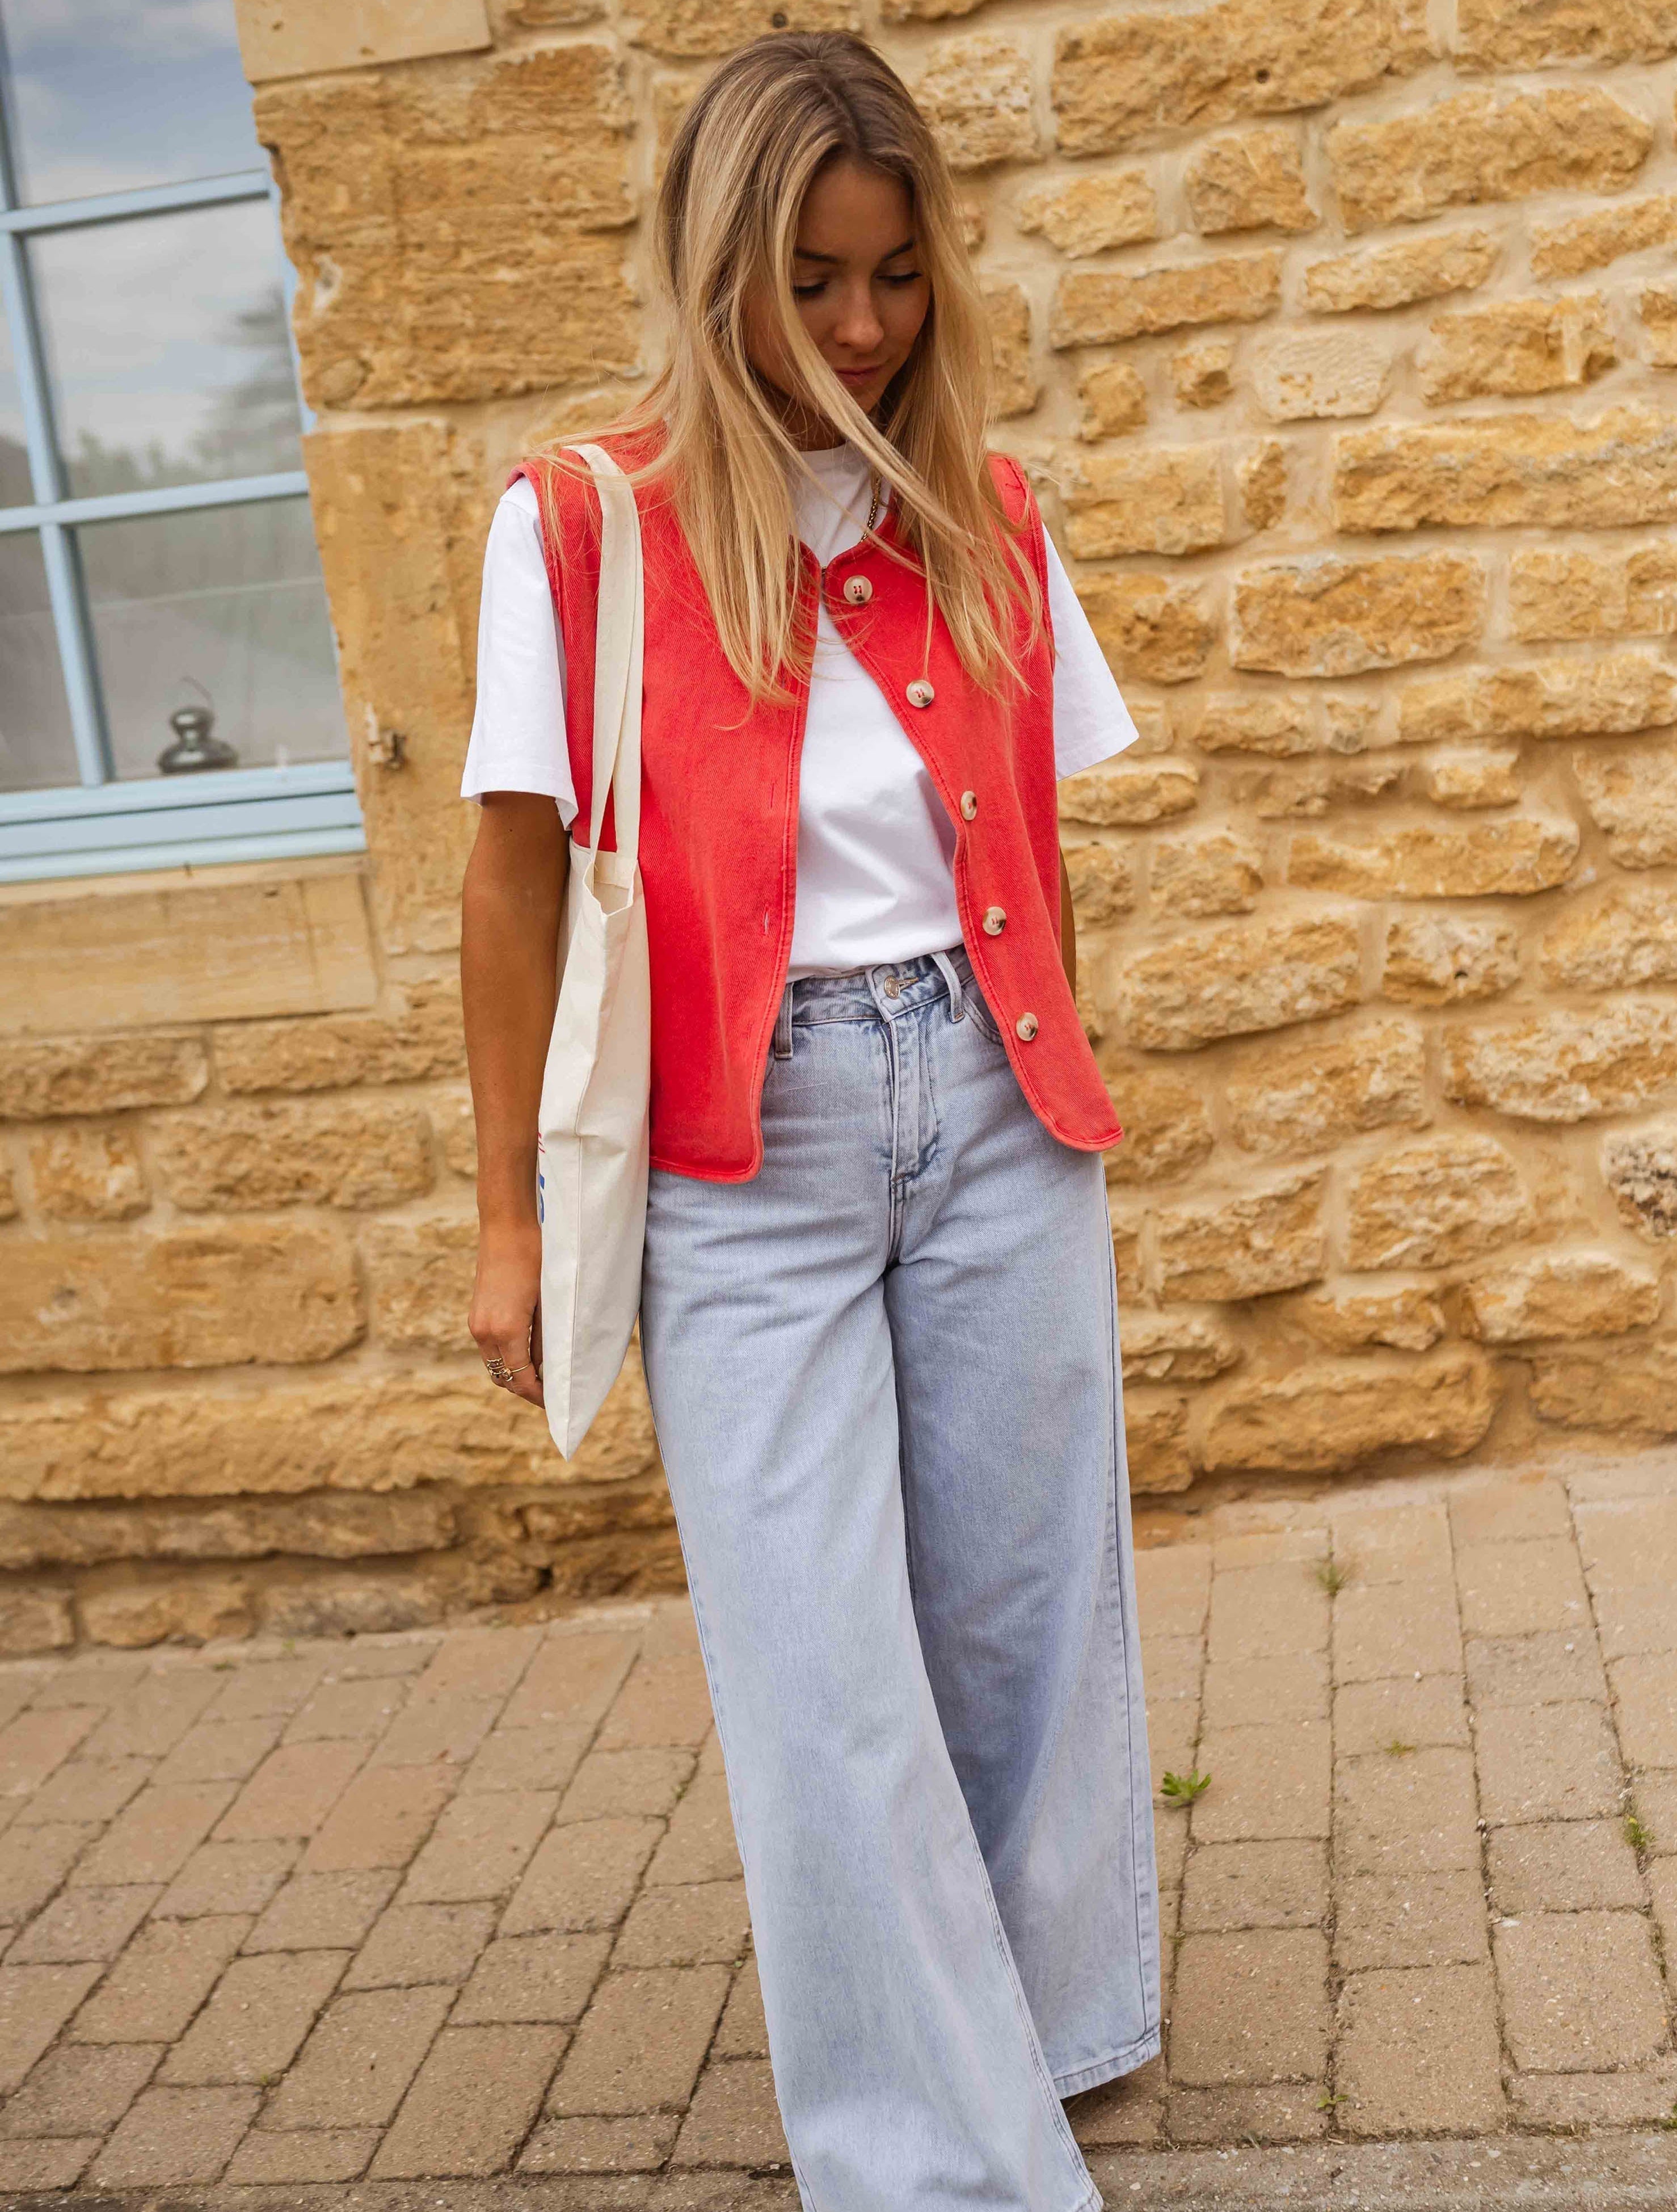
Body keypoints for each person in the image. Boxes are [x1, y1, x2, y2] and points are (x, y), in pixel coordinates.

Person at [458, 30, 1160, 2211]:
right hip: (729, 1151)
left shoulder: (987, 508)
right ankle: (932, 2160)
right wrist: (501, 1219)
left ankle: (1050, 2029)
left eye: (893, 275)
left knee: (1030, 1603)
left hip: (988, 1094)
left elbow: (1033, 822)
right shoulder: (581, 530)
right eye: (808, 279)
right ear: (712, 267)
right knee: (821, 1662)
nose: (859, 327)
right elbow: (504, 883)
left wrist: (1004, 1034)